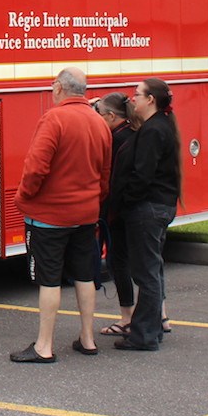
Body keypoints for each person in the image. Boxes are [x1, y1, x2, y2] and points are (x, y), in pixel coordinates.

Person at [11, 67, 111, 363]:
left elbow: (35, 168)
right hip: (86, 213)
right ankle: (88, 338)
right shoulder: (98, 121)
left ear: (57, 88)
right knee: (85, 275)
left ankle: (44, 346)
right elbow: (105, 173)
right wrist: (94, 200)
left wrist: (23, 197)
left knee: (49, 279)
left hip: (49, 216)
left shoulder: (53, 119)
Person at [114, 77, 182, 352]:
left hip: (148, 208)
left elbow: (143, 174)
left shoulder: (153, 130)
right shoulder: (161, 126)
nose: (133, 99)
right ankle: (151, 328)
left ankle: (144, 335)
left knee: (145, 273)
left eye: (137, 95)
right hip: (159, 206)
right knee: (152, 270)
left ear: (150, 100)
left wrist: (126, 201)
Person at [94, 93, 139, 337]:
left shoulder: (115, 140)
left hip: (118, 211)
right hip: (132, 209)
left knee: (118, 262)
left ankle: (126, 317)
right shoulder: (134, 133)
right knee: (145, 264)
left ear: (111, 116)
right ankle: (159, 315)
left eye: (99, 113)